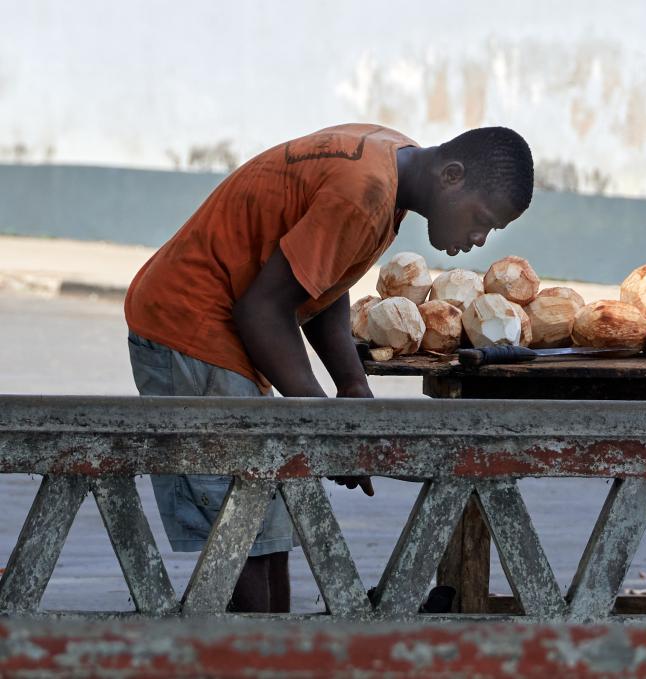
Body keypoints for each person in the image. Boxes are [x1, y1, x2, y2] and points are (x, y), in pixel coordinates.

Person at [124, 124, 534, 612]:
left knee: (268, 524)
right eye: (481, 219)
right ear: (452, 175)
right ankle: (248, 660)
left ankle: (279, 654)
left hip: (228, 326)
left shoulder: (392, 164)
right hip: (189, 326)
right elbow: (262, 311)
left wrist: (351, 386)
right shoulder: (365, 194)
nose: (478, 237)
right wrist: (323, 426)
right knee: (242, 529)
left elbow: (322, 283)